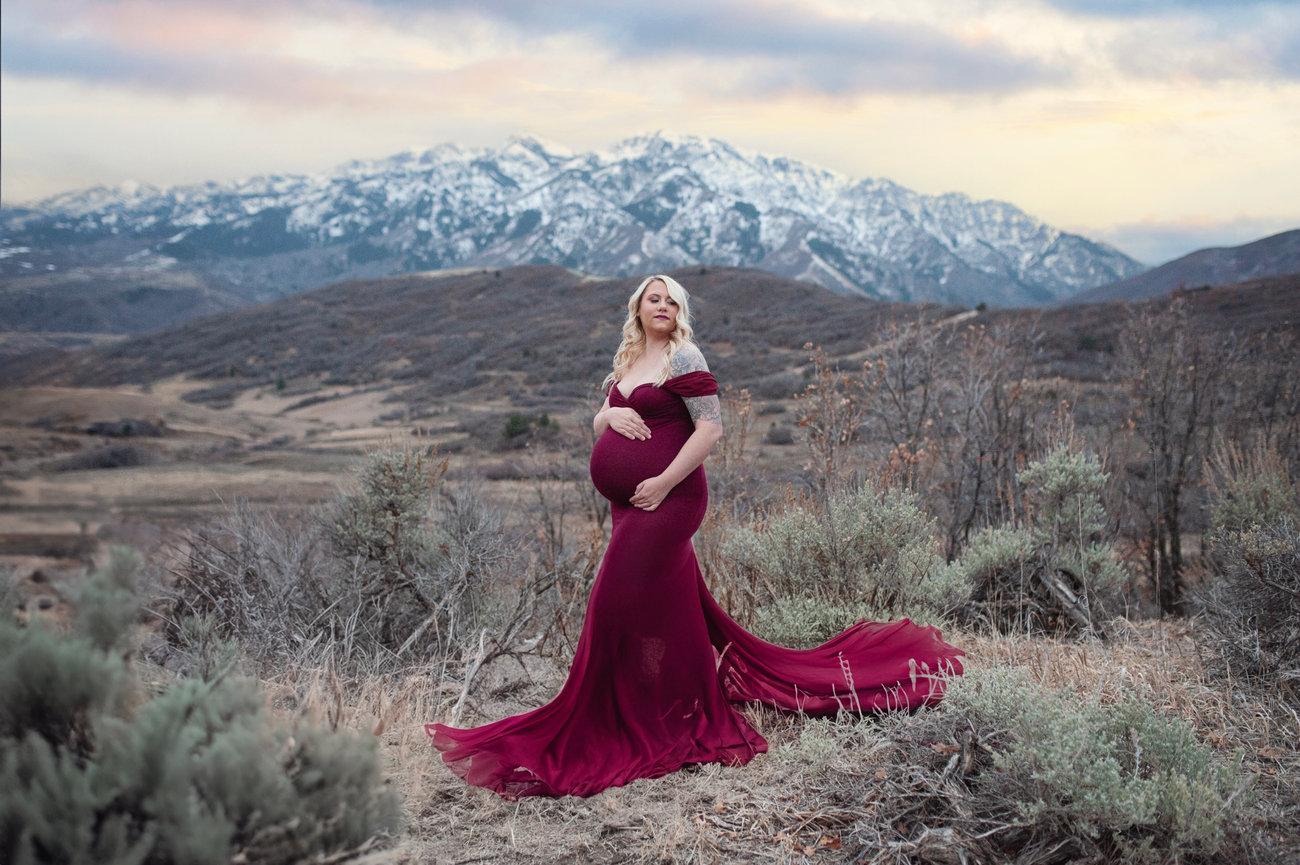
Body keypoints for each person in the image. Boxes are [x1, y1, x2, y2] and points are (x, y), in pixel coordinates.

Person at [426, 274, 963, 799]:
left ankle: (638, 719)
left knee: (611, 602)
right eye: (653, 299)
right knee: (662, 610)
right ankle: (668, 706)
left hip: (671, 499)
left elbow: (710, 429)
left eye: (672, 301)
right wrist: (611, 415)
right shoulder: (628, 361)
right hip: (628, 505)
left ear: (680, 312)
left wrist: (661, 482)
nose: (663, 307)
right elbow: (596, 425)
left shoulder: (685, 357)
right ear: (638, 308)